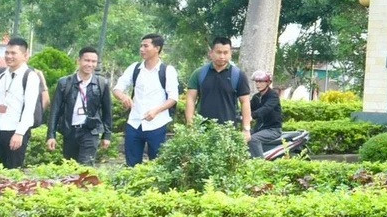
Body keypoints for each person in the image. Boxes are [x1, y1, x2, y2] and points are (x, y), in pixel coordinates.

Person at [0, 37, 46, 169]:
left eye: (13, 53)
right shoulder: (2, 75)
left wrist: (19, 133)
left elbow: (29, 108)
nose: (9, 56)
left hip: (15, 131)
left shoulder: (30, 76)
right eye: (7, 53)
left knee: (11, 170)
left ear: (25, 55)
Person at [114, 34, 180, 166]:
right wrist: (124, 97)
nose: (141, 49)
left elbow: (173, 98)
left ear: (157, 48)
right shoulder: (135, 68)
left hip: (157, 124)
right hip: (134, 123)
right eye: (141, 46)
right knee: (131, 165)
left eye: (145, 46)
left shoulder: (167, 70)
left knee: (157, 165)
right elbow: (117, 88)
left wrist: (156, 111)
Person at [46, 46, 113, 166]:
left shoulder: (101, 83)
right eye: (87, 60)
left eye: (94, 61)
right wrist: (51, 135)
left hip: (90, 131)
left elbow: (107, 111)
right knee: (70, 167)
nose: (90, 64)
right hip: (70, 131)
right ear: (78, 61)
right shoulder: (64, 83)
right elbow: (55, 110)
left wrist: (107, 135)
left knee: (86, 168)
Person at [185, 37, 252, 137]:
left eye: (225, 53)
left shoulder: (238, 75)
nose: (222, 56)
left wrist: (246, 129)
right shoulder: (199, 73)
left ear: (230, 54)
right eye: (218, 52)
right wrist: (190, 126)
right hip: (202, 131)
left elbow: (245, 102)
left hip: (228, 131)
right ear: (211, 53)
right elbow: (190, 99)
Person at [246, 71, 285, 158]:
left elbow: (266, 108)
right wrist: (237, 114)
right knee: (241, 137)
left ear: (268, 82)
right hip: (259, 129)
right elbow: (247, 108)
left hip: (273, 129)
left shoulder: (273, 95)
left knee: (253, 139)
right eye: (256, 81)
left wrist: (252, 115)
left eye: (261, 81)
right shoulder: (256, 97)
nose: (258, 84)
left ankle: (260, 163)